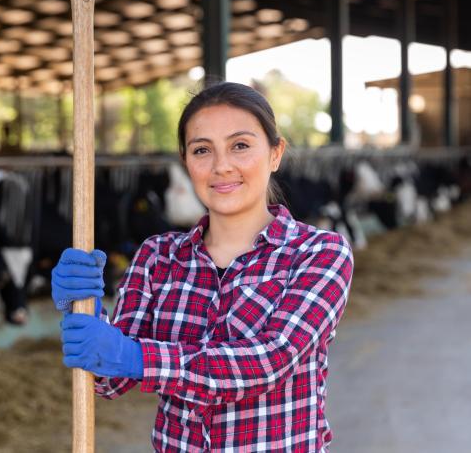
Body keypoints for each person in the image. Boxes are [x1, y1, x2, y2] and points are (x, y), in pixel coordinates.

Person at [51, 82, 354, 452]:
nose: (221, 166)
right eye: (202, 150)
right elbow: (110, 382)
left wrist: (137, 357)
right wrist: (83, 311)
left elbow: (270, 361)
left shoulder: (319, 252)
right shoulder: (158, 256)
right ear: (186, 161)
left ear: (276, 153)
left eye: (240, 146)